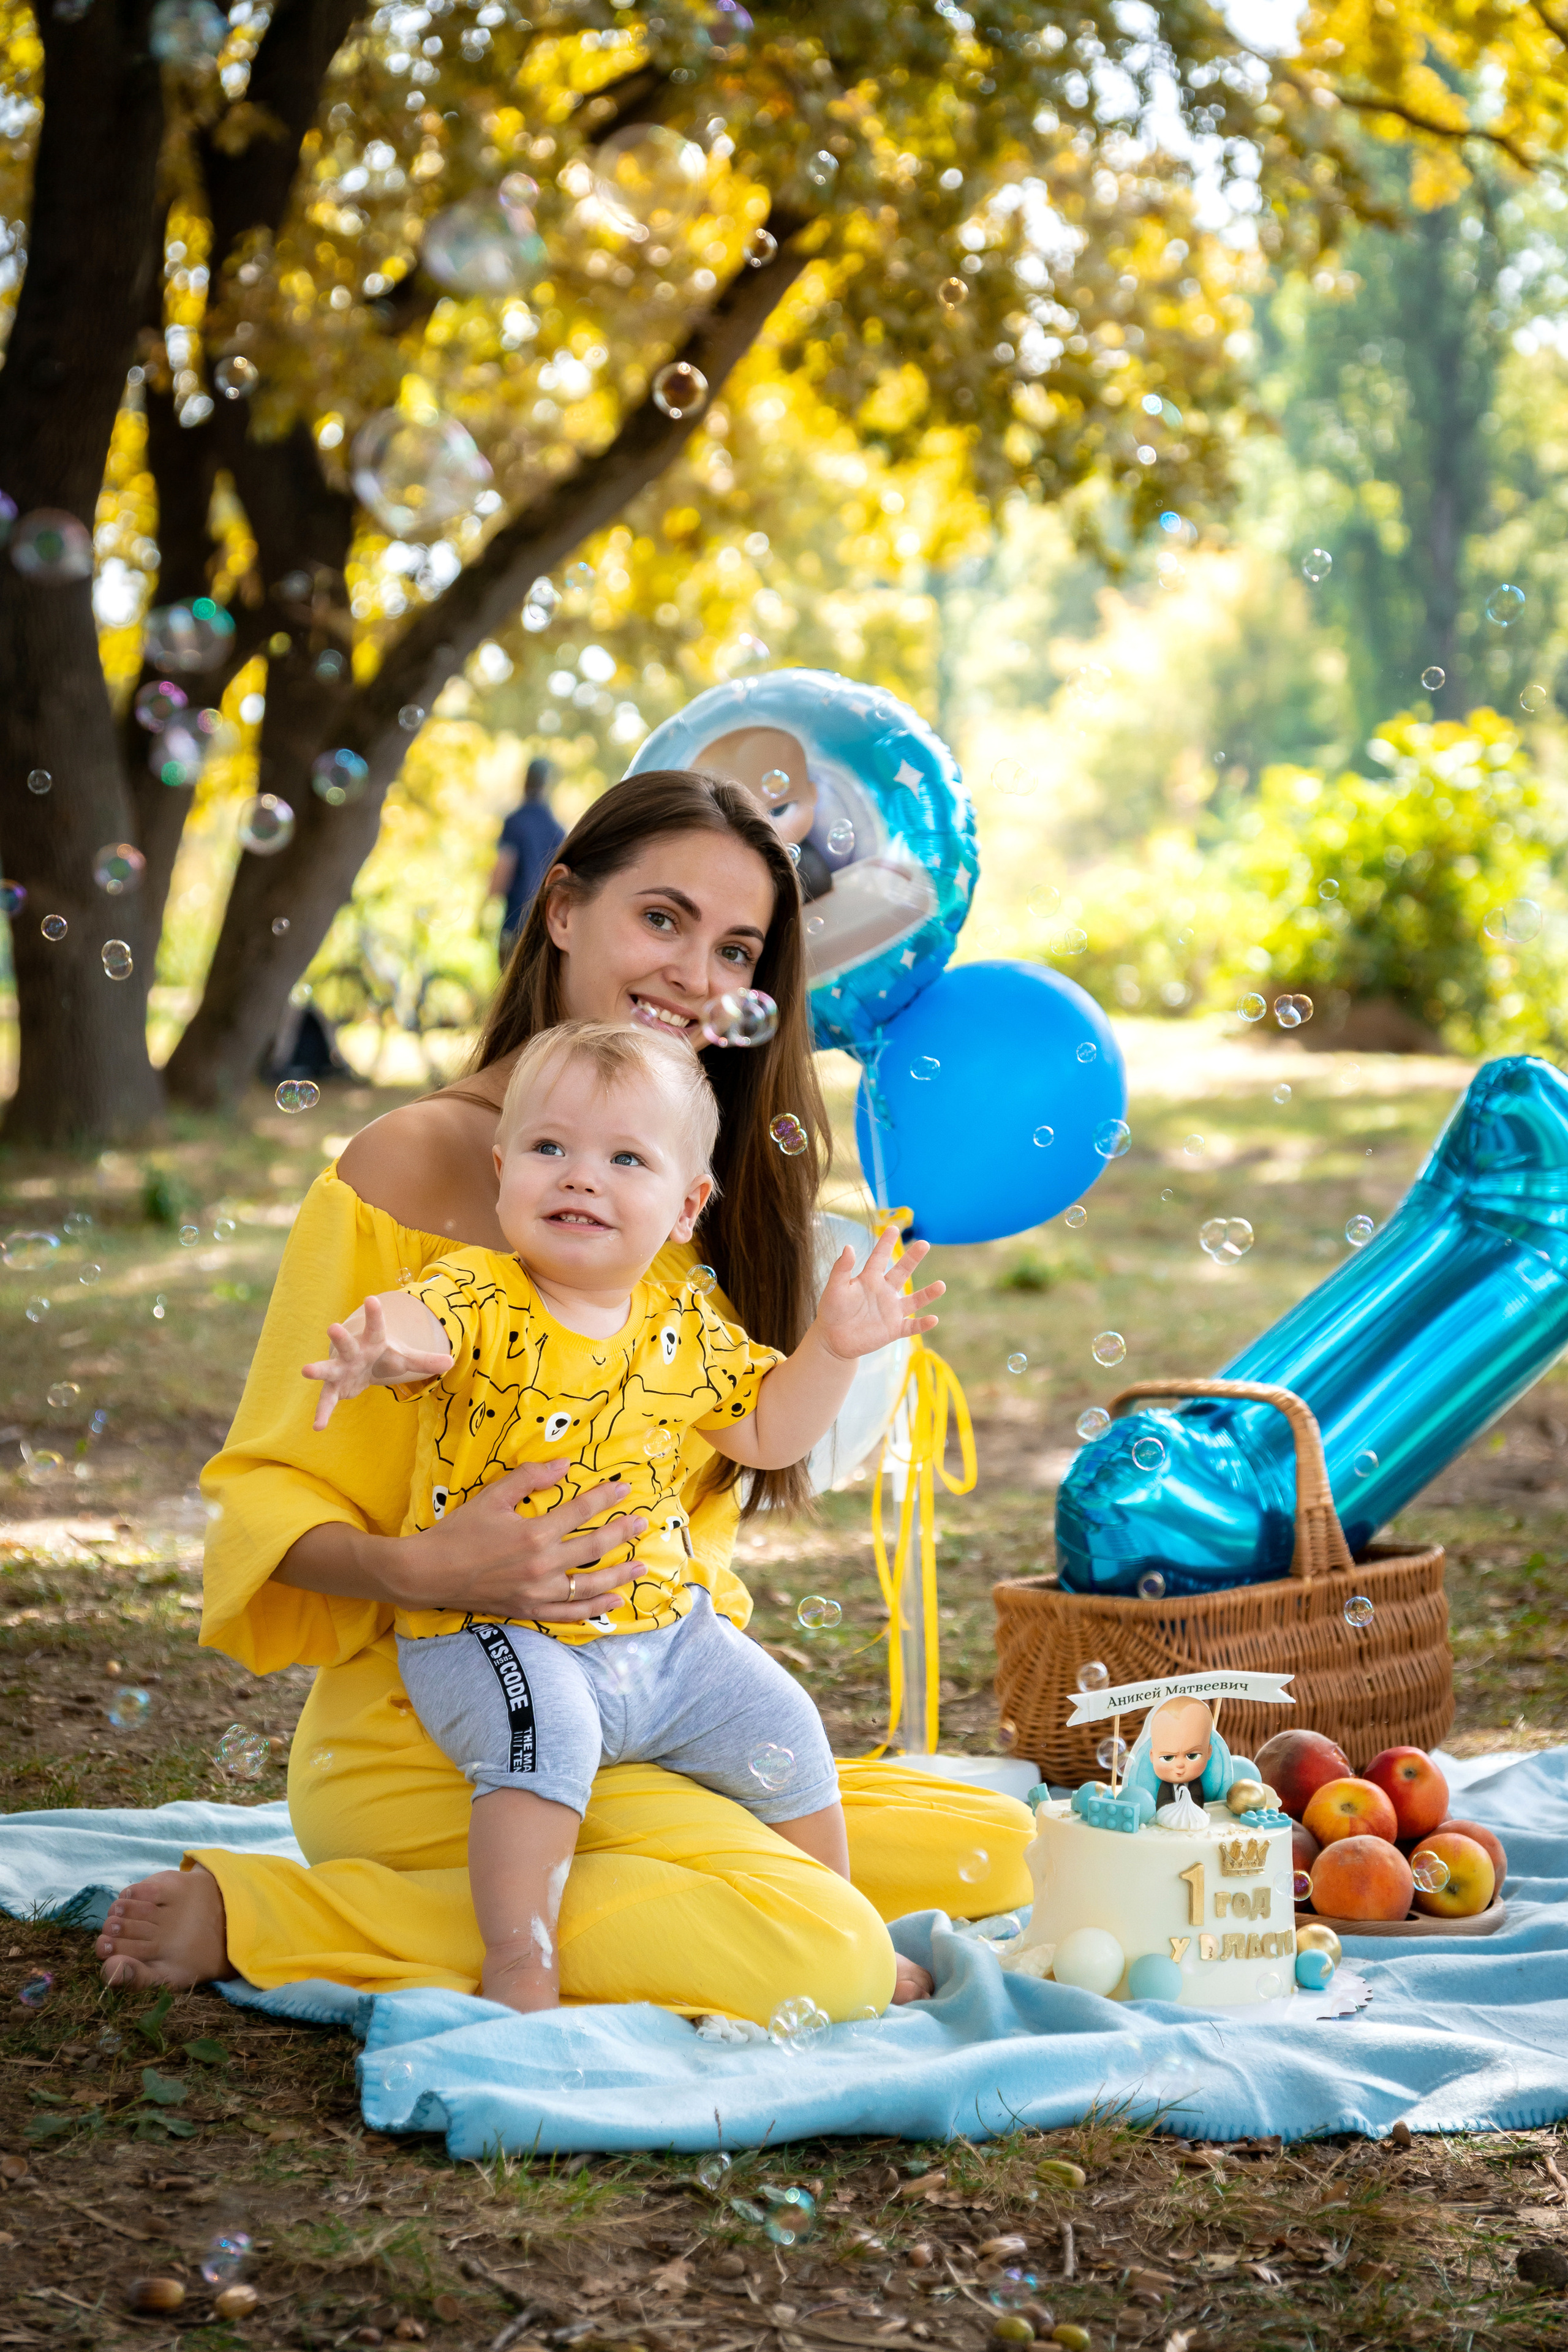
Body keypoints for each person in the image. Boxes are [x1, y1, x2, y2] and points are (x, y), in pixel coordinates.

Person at [95, 768, 1033, 2019]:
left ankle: (722, 1878)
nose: (697, 976)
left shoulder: (678, 1182)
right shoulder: (414, 1165)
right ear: (560, 911)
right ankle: (278, 1913)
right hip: (448, 1721)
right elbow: (268, 1496)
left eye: (736, 948)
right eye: (662, 919)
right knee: (827, 1956)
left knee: (999, 1849)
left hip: (655, 1688)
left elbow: (750, 1426)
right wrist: (438, 1570)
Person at [304, 1019, 943, 2012]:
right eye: (550, 1149)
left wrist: (836, 1347)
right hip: (499, 1632)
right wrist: (374, 1345)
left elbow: (770, 1431)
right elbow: (422, 1327)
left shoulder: (687, 1322)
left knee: (786, 1720)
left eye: (625, 1158)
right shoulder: (483, 1292)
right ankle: (520, 1955)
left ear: (686, 1206)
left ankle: (839, 1915)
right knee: (541, 1741)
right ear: (504, 1169)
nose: (581, 1177)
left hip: (665, 1638)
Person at [491, 758, 564, 957]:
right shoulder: (557, 831)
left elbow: (504, 868)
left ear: (526, 782)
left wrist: (485, 907)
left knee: (508, 980)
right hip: (543, 927)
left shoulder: (516, 821)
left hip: (515, 921)